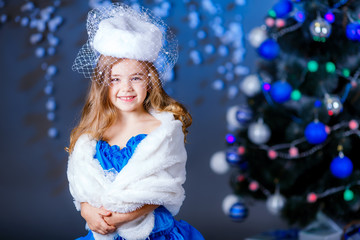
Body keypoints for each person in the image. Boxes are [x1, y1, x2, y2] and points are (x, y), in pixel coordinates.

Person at [66, 3, 205, 240]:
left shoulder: (163, 131)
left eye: (136, 78)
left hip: (152, 232)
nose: (126, 88)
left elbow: (163, 188)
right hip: (102, 232)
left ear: (150, 82)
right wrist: (88, 212)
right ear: (103, 85)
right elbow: (81, 185)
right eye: (115, 79)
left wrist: (120, 219)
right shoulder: (94, 133)